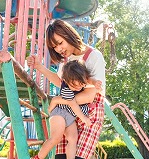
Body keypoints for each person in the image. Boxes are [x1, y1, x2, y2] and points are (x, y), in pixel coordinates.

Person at [27, 19, 106, 159]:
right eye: (54, 47)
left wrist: (59, 100)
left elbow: (88, 96)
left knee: (78, 157)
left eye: (60, 43)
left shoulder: (94, 56)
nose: (59, 49)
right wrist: (39, 67)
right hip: (69, 113)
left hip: (89, 111)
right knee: (61, 157)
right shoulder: (67, 60)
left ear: (68, 35)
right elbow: (60, 81)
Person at [32, 60, 102, 159]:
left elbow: (89, 80)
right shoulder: (66, 89)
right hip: (60, 113)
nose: (78, 88)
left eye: (81, 85)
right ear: (66, 81)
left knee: (73, 139)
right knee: (56, 137)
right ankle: (38, 157)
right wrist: (83, 118)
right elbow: (73, 104)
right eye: (74, 86)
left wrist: (95, 83)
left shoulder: (81, 80)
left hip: (70, 116)